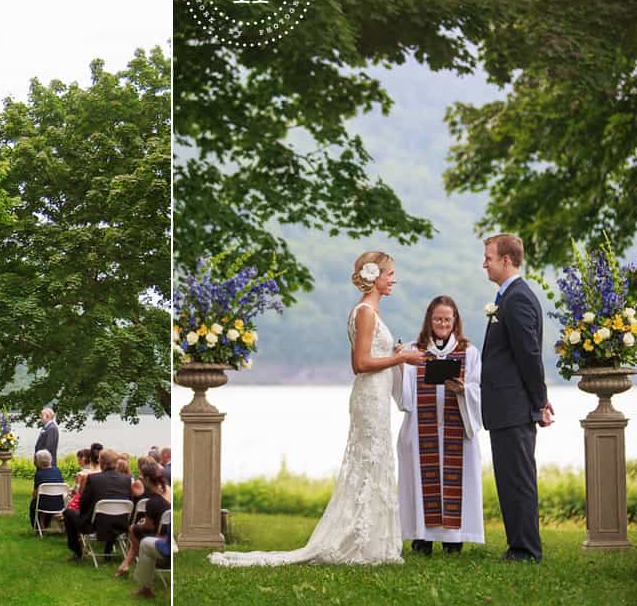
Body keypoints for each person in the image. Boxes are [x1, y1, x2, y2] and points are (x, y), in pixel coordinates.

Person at [210, 251, 424, 566]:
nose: (393, 279)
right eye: (390, 273)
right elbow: (360, 363)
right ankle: (360, 542)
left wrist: (393, 353)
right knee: (369, 462)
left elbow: (372, 356)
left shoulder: (370, 312)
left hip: (375, 395)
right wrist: (401, 358)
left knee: (375, 464)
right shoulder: (365, 311)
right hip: (369, 396)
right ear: (374, 276)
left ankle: (371, 540)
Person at [394, 295, 484, 555]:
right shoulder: (415, 350)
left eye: (447, 319)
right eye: (437, 319)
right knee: (421, 482)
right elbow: (404, 396)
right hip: (421, 431)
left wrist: (462, 390)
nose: (442, 323)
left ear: (455, 321)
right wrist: (400, 364)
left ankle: (452, 540)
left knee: (455, 481)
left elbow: (478, 389)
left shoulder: (469, 351)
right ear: (429, 321)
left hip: (458, 430)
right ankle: (422, 538)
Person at [481, 234, 552, 562]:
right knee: (509, 479)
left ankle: (525, 550)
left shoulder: (517, 299)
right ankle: (518, 546)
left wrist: (540, 402)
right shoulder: (506, 298)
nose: (485, 263)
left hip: (514, 407)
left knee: (518, 480)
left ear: (506, 260)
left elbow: (529, 355)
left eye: (489, 258)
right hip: (505, 407)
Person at [64, 449, 132, 562]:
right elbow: (129, 501)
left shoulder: (93, 478)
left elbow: (83, 502)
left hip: (95, 525)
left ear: (101, 462)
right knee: (111, 515)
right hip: (120, 524)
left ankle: (77, 551)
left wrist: (85, 514)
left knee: (68, 512)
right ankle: (107, 551)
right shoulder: (126, 479)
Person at [116, 461, 171, 578]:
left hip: (160, 536)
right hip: (168, 532)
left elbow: (148, 526)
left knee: (133, 529)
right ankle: (125, 564)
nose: (139, 477)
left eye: (141, 475)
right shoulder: (168, 490)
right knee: (135, 529)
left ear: (146, 478)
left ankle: (126, 564)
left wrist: (141, 523)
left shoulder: (153, 501)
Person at [29, 450, 65, 530]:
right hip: (59, 504)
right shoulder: (57, 471)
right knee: (46, 501)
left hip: (43, 504)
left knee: (34, 504)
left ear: (38, 461)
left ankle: (39, 527)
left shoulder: (39, 474)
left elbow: (35, 494)